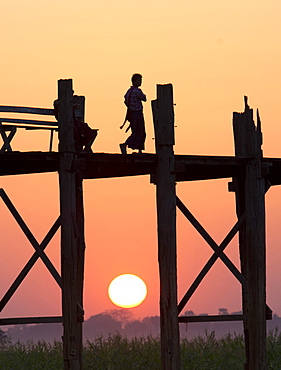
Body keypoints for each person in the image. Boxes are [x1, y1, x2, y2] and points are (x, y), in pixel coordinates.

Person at [120, 73, 146, 154]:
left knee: (135, 131)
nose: (141, 82)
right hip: (137, 114)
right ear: (134, 81)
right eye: (139, 80)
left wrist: (131, 106)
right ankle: (133, 147)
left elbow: (125, 100)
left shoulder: (129, 91)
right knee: (141, 132)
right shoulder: (137, 91)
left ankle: (131, 146)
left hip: (131, 114)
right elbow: (144, 98)